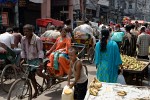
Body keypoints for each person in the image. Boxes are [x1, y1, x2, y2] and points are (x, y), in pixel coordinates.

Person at [21, 24, 47, 98]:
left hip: (37, 59)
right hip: (29, 59)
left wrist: (40, 61)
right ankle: (36, 91)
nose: (25, 33)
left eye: (27, 31)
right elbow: (22, 50)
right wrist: (23, 58)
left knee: (39, 73)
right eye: (24, 31)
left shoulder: (37, 39)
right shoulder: (23, 39)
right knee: (31, 76)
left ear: (32, 31)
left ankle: (48, 78)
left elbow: (40, 51)